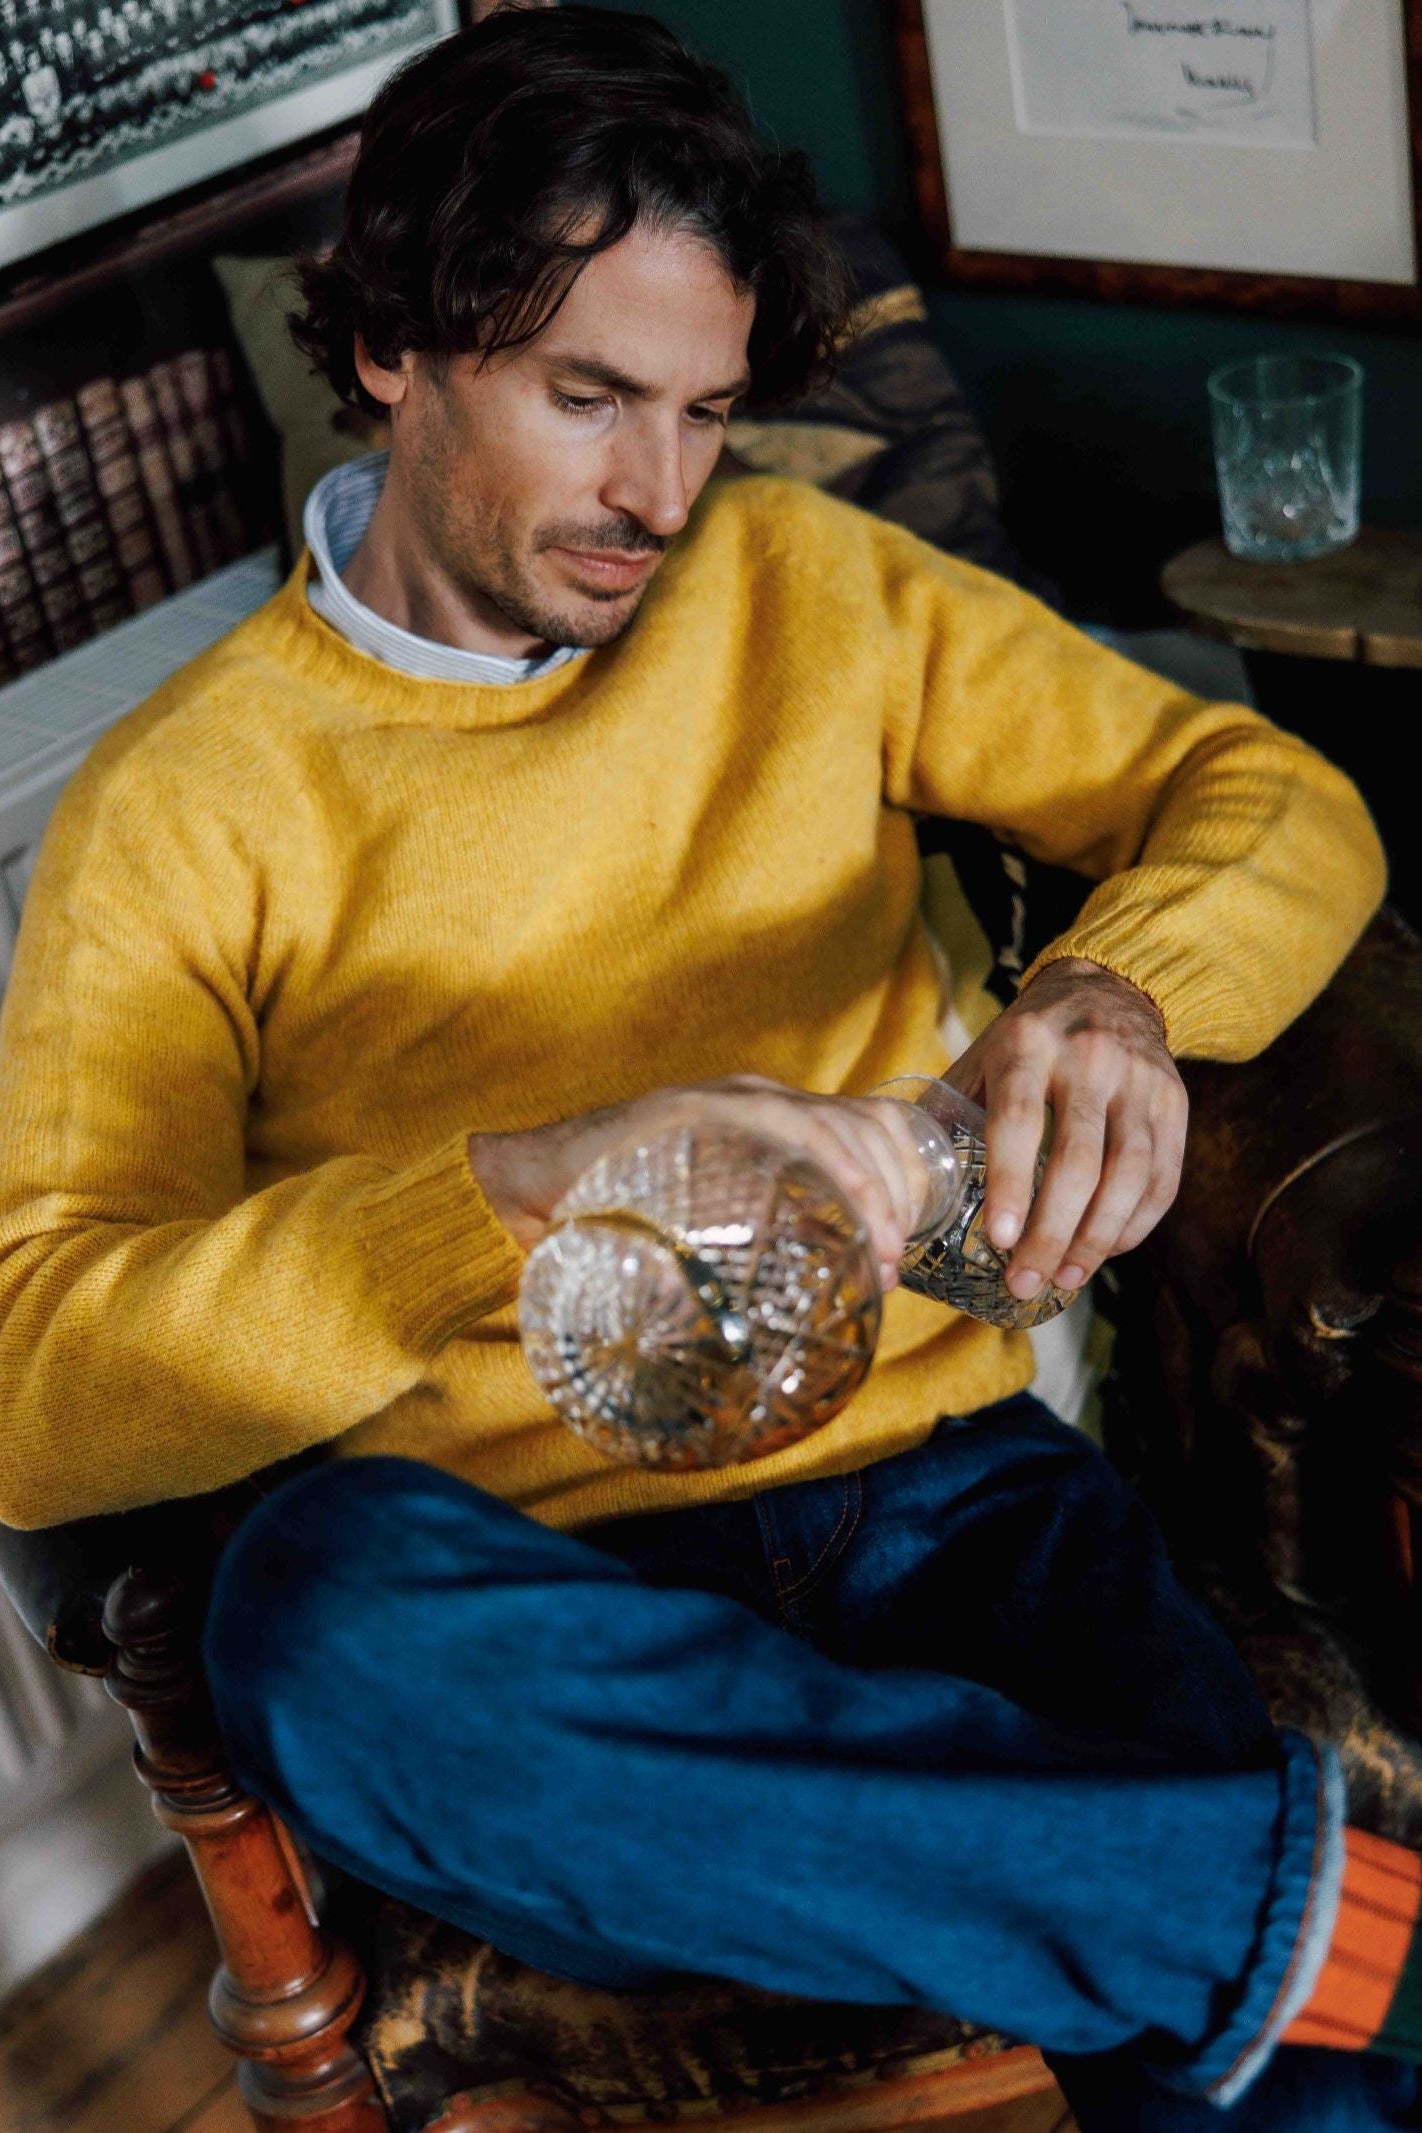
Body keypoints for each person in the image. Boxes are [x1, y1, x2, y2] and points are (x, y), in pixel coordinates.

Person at [0, 8, 1411, 2125]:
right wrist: (507, 1186)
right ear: (393, 342)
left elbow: (1262, 789)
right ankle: (1294, 1917)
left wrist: (1115, 988)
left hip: (949, 1509)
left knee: (1291, 2077)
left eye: (703, 411)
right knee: (311, 1617)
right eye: (589, 400)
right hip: (532, 1611)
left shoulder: (799, 580)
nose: (657, 493)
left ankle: (1254, 1923)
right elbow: (36, 1386)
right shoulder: (179, 810)